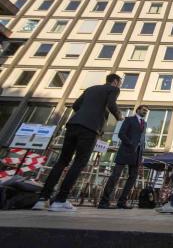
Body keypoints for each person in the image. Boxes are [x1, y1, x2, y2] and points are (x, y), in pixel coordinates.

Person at [32, 74, 124, 212]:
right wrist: (119, 117)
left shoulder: (90, 88)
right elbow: (112, 104)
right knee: (79, 162)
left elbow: (76, 105)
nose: (119, 85)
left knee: (62, 161)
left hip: (73, 124)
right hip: (90, 129)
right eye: (120, 83)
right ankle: (60, 200)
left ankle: (42, 199)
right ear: (115, 81)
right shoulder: (114, 89)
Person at [98, 105, 149, 209]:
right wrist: (131, 143)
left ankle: (122, 202)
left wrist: (142, 149)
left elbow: (142, 137)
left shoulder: (145, 123)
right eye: (143, 110)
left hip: (137, 154)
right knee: (115, 176)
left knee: (132, 178)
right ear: (138, 110)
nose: (145, 112)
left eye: (146, 111)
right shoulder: (129, 120)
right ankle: (104, 202)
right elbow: (121, 134)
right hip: (125, 151)